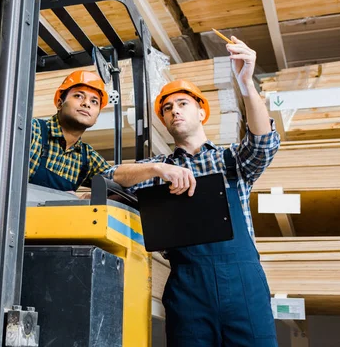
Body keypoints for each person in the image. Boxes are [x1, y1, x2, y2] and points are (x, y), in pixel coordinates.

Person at [104, 37, 280, 346]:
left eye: (183, 103)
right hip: (188, 291)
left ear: (201, 112)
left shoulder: (231, 162)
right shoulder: (156, 168)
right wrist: (158, 170)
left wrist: (246, 84)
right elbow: (109, 177)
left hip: (243, 287)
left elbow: (263, 143)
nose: (174, 111)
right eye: (168, 108)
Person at [29, 70, 111, 192]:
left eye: (94, 101)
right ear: (59, 104)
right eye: (78, 96)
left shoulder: (87, 158)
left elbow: (117, 182)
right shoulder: (32, 131)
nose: (86, 104)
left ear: (96, 118)